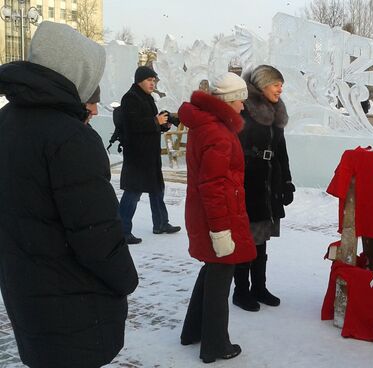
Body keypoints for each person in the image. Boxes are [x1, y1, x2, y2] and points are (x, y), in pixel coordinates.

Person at [0, 21, 139, 368]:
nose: (93, 101)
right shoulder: (69, 137)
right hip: (73, 303)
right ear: (76, 74)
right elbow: (96, 234)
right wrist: (125, 279)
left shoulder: (7, 120)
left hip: (26, 290)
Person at [178, 72, 256, 362]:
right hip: (218, 217)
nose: (242, 108)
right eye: (239, 101)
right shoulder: (219, 134)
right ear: (228, 101)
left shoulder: (207, 125)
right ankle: (215, 345)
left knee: (212, 269)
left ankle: (193, 331)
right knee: (221, 275)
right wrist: (221, 231)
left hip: (209, 213)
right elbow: (213, 187)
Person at [234, 64, 295, 312]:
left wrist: (287, 182)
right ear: (261, 85)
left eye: (281, 84)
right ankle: (241, 291)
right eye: (275, 83)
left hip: (269, 184)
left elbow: (281, 151)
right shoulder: (245, 111)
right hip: (250, 185)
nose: (280, 89)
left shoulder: (275, 111)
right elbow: (234, 152)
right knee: (247, 240)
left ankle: (259, 287)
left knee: (261, 240)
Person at [118, 66, 181, 244]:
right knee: (133, 192)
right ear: (139, 80)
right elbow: (132, 126)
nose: (152, 83)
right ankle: (121, 230)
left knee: (157, 189)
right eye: (149, 80)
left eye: (154, 81)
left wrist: (163, 125)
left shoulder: (146, 98)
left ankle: (161, 223)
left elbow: (148, 126)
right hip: (137, 155)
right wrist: (155, 121)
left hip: (149, 154)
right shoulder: (130, 98)